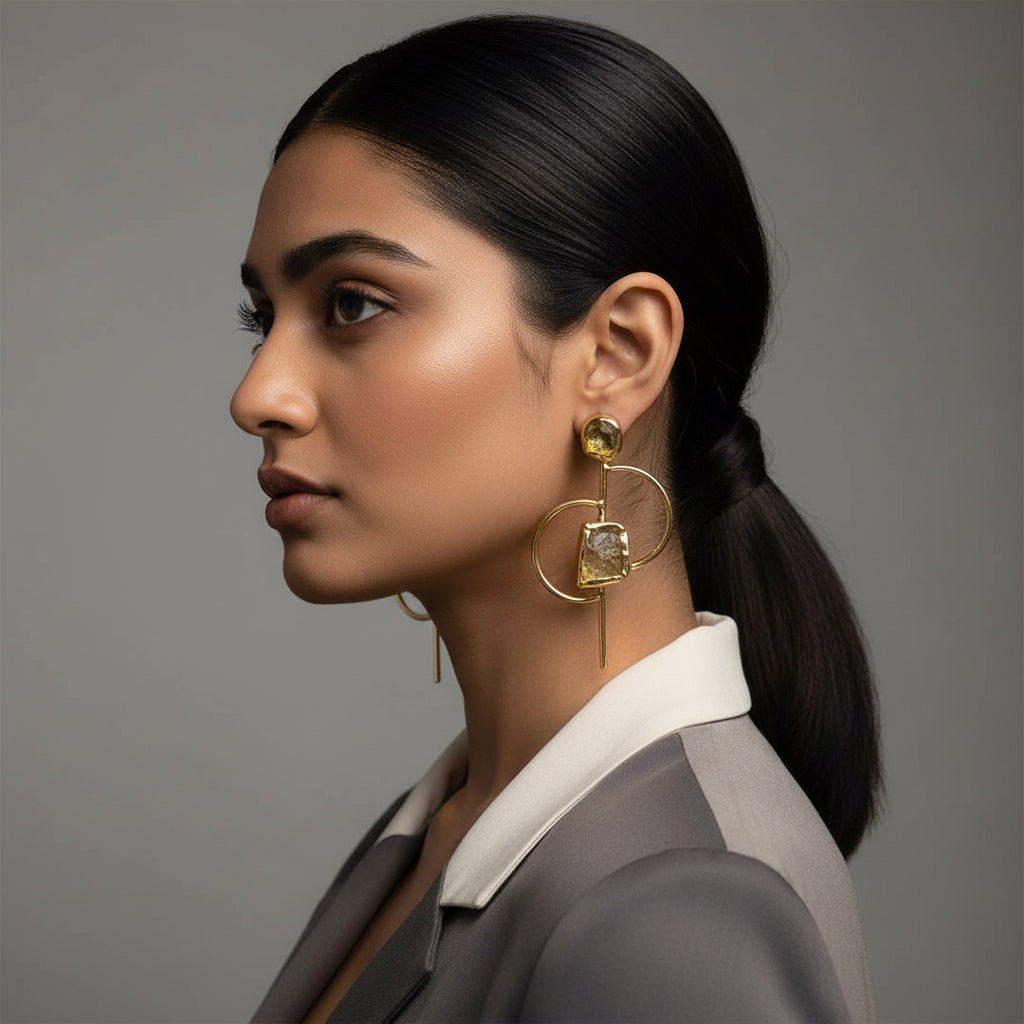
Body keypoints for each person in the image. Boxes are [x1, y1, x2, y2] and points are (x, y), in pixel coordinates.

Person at [230, 13, 881, 1022]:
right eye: (262, 318)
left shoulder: (676, 912)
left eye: (353, 303)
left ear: (618, 352)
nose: (259, 392)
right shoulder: (449, 823)